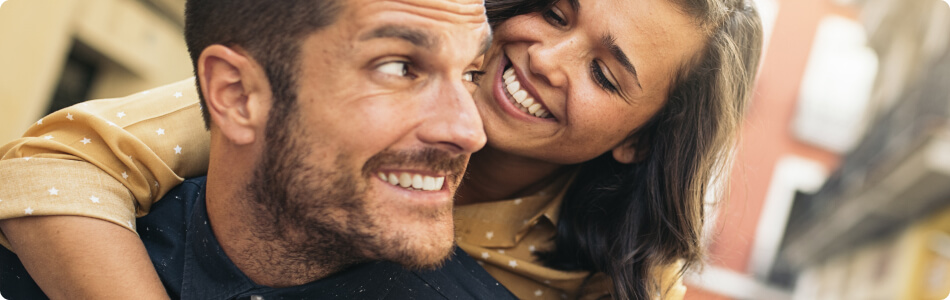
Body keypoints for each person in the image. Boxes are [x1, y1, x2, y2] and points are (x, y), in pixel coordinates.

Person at [0, 0, 763, 299]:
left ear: (642, 141)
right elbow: (55, 166)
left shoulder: (623, 275)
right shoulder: (323, 103)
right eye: (557, 11)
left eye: (603, 72)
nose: (545, 57)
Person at [0, 0, 510, 298]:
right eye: (400, 68)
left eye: (471, 74)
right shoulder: (46, 258)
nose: (470, 130)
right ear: (237, 94)